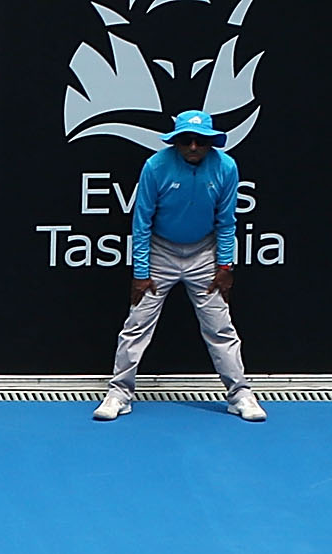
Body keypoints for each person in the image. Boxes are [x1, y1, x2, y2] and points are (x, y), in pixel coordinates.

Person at [95, 111, 262, 424]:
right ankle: (119, 392)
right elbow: (141, 221)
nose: (194, 146)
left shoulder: (226, 167)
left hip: (203, 253)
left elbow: (226, 222)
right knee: (137, 324)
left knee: (220, 326)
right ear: (176, 141)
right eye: (186, 140)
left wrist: (225, 265)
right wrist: (141, 272)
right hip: (161, 252)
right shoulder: (156, 167)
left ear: (212, 142)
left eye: (201, 141)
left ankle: (239, 394)